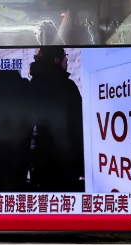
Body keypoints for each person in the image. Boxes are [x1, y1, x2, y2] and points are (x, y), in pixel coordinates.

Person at [29, 46, 85, 192]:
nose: (68, 60)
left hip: (38, 154)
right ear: (56, 60)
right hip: (65, 155)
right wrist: (82, 163)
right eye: (65, 56)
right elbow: (78, 125)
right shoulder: (68, 87)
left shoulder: (31, 86)